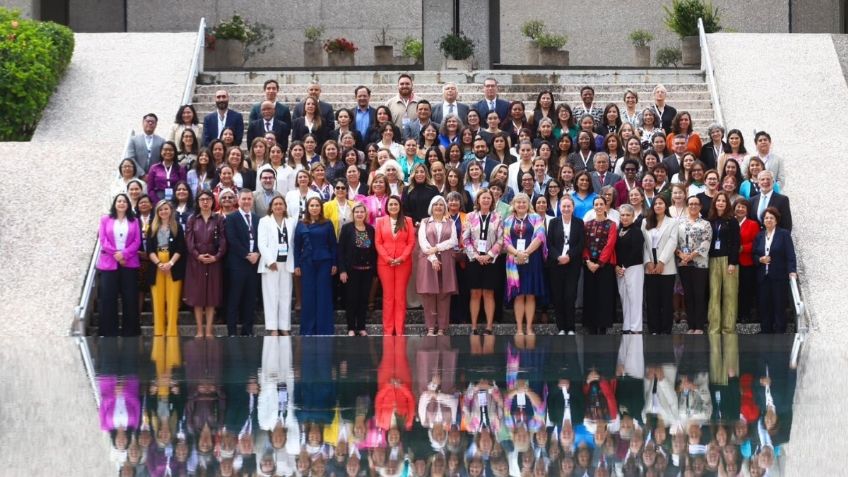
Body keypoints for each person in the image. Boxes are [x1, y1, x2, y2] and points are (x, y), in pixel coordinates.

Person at [184, 190, 227, 338]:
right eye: (202, 199)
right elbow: (189, 241)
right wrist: (198, 256)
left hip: (214, 261)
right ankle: (199, 330)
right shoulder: (192, 219)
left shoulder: (219, 219)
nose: (205, 202)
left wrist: (216, 256)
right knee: (198, 296)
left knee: (211, 296)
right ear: (198, 202)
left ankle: (209, 330)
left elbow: (223, 240)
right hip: (196, 262)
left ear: (212, 201)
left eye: (208, 199)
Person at [97, 194, 141, 337]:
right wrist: (116, 254)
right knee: (108, 297)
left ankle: (130, 331)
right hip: (109, 264)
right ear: (115, 204)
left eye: (124, 201)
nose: (121, 203)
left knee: (130, 297)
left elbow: (137, 241)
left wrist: (125, 254)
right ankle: (109, 331)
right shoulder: (105, 219)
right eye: (119, 201)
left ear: (128, 204)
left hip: (129, 263)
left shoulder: (134, 221)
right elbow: (103, 240)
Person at [503, 193, 547, 335]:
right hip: (514, 261)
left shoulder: (536, 218)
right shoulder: (508, 220)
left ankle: (529, 327)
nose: (521, 205)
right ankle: (519, 329)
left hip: (532, 259)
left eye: (524, 202)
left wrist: (526, 253)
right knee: (519, 294)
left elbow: (540, 236)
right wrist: (517, 253)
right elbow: (505, 240)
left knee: (530, 294)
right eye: (518, 202)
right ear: (514, 205)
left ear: (528, 204)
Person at [462, 188, 504, 335]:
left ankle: (489, 326)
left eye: (488, 198)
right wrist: (476, 255)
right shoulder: (469, 217)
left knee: (488, 293)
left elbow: (501, 239)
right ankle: (473, 327)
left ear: (492, 200)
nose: (486, 200)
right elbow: (465, 238)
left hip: (491, 260)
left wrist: (490, 255)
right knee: (475, 293)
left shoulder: (497, 217)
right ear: (478, 200)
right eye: (483, 198)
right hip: (474, 259)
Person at [294, 197, 338, 335]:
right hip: (306, 263)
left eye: (317, 205)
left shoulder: (327, 224)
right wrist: (296, 265)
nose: (314, 208)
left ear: (321, 208)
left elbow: (333, 245)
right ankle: (308, 329)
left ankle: (324, 329)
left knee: (323, 295)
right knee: (308, 296)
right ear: (307, 208)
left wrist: (334, 263)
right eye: (312, 205)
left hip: (324, 262)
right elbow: (296, 247)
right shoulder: (301, 224)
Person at [416, 196, 459, 336]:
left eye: (441, 204)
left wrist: (437, 248)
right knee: (428, 294)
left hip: (446, 261)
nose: (438, 207)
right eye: (436, 205)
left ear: (445, 207)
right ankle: (430, 326)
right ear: (431, 207)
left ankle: (441, 327)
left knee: (444, 294)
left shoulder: (450, 222)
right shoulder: (424, 222)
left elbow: (453, 241)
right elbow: (423, 242)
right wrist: (433, 257)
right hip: (428, 261)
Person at [375, 196, 415, 335]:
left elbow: (411, 242)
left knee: (400, 297)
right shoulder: (380, 221)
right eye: (390, 204)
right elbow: (378, 242)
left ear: (400, 206)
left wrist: (402, 258)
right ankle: (388, 330)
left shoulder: (407, 221)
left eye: (395, 204)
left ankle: (399, 329)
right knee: (388, 297)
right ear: (387, 207)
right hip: (385, 264)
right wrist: (387, 258)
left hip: (403, 263)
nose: (393, 206)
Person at [753, 207, 797, 333]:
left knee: (779, 306)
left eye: (771, 218)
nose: (769, 220)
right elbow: (754, 254)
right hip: (763, 277)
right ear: (763, 221)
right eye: (766, 218)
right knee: (764, 306)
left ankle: (779, 333)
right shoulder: (759, 236)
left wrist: (792, 271)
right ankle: (766, 331)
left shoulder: (784, 234)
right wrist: (760, 260)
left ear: (776, 220)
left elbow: (790, 255)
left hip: (779, 276)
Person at [146, 199, 187, 337]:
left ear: (171, 211)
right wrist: (159, 264)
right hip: (157, 264)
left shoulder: (177, 227)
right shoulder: (152, 227)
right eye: (161, 209)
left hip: (173, 264)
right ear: (157, 212)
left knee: (173, 298)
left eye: (166, 209)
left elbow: (181, 248)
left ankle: (171, 331)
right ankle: (159, 331)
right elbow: (150, 249)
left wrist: (170, 263)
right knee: (157, 299)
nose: (163, 212)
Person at [258, 195, 297, 336]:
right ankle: (273, 327)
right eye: (275, 204)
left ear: (285, 206)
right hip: (271, 265)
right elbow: (261, 243)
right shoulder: (264, 221)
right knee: (271, 296)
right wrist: (270, 261)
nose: (278, 206)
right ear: (271, 207)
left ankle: (284, 327)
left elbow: (293, 243)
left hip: (287, 263)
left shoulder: (291, 221)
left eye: (281, 204)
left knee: (285, 296)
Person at [224, 190, 261, 336]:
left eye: (249, 199)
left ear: (252, 200)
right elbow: (232, 239)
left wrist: (257, 253)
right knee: (234, 298)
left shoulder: (258, 219)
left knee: (250, 299)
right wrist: (247, 255)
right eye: (244, 199)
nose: (246, 201)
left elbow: (262, 239)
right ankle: (232, 331)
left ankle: (247, 330)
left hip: (254, 264)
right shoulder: (231, 218)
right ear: (238, 200)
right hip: (237, 264)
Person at [546, 195, 584, 335]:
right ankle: (561, 327)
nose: (566, 209)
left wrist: (569, 256)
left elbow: (581, 243)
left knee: (570, 295)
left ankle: (571, 327)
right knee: (558, 296)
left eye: (569, 206)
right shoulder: (554, 223)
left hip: (572, 264)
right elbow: (549, 244)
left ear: (573, 208)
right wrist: (558, 257)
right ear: (560, 207)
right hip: (556, 264)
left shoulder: (579, 223)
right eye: (564, 206)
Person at [338, 202, 377, 336]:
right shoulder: (347, 228)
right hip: (351, 270)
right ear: (353, 214)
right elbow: (341, 250)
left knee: (363, 298)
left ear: (366, 214)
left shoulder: (370, 229)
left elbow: (373, 251)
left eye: (362, 212)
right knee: (351, 299)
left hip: (367, 270)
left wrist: (374, 271)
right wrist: (342, 270)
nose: (359, 214)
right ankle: (350, 327)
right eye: (357, 212)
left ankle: (361, 326)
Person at [642, 195, 677, 334]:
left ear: (666, 205)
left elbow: (672, 242)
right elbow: (643, 243)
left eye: (661, 203)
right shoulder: (645, 222)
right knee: (652, 299)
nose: (658, 206)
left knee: (666, 299)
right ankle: (654, 328)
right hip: (650, 266)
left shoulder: (672, 222)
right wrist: (648, 262)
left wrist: (661, 262)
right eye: (655, 203)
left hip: (666, 266)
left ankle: (666, 328)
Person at [676, 195, 712, 334]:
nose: (693, 206)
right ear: (687, 206)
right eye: (690, 204)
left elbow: (706, 242)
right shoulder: (680, 223)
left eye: (696, 204)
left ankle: (699, 326)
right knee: (688, 295)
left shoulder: (705, 224)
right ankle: (691, 326)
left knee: (699, 294)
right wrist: (681, 255)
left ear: (700, 206)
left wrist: (691, 255)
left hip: (700, 264)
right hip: (684, 263)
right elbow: (675, 241)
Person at [582, 196, 618, 334]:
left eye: (601, 204)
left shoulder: (612, 224)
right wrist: (588, 261)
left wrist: (599, 263)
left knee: (604, 296)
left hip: (605, 265)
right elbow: (584, 244)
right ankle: (591, 326)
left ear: (605, 206)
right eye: (596, 204)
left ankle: (603, 326)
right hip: (589, 264)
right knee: (590, 295)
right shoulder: (587, 224)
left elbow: (610, 245)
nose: (598, 206)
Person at [707, 192, 740, 334]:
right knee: (714, 294)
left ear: (727, 204)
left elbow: (736, 242)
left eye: (723, 201)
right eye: (718, 201)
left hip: (729, 261)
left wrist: (732, 262)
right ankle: (714, 329)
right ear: (714, 203)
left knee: (730, 295)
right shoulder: (709, 220)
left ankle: (728, 329)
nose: (720, 203)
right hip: (713, 260)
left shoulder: (732, 220)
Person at [615, 204, 646, 334]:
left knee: (635, 297)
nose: (625, 217)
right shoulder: (618, 231)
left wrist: (624, 266)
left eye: (628, 215)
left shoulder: (637, 231)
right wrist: (617, 265)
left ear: (633, 216)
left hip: (634, 268)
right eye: (622, 215)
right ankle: (626, 326)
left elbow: (636, 250)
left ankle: (636, 327)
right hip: (620, 270)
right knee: (625, 298)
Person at [735, 198, 759, 323]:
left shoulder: (753, 224)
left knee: (745, 289)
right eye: (738, 206)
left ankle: (744, 314)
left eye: (743, 207)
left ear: (747, 210)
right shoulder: (730, 222)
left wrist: (743, 248)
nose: (740, 209)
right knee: (733, 290)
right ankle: (733, 314)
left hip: (746, 261)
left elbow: (756, 243)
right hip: (732, 262)